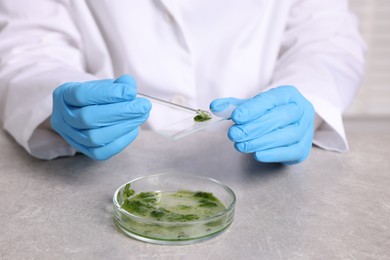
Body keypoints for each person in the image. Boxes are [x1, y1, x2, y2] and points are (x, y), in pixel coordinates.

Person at [0, 0, 365, 164]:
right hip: (106, 163)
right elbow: (27, 47)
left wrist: (307, 100)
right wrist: (62, 104)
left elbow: (327, 37)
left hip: (251, 164)